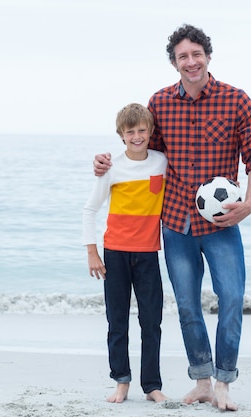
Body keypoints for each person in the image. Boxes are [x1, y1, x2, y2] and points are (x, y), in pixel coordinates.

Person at [93, 24, 251, 411]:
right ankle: (202, 380)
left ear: (207, 55)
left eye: (196, 54)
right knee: (188, 307)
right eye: (182, 57)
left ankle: (224, 381)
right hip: (175, 224)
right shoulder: (159, 103)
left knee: (232, 298)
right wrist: (106, 162)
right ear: (174, 63)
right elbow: (141, 155)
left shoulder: (237, 100)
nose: (190, 62)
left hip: (222, 224)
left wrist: (250, 202)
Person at [83, 103, 169, 404]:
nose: (137, 136)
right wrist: (93, 253)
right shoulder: (112, 167)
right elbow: (90, 210)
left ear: (151, 132)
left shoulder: (162, 162)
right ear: (121, 135)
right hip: (116, 254)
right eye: (130, 131)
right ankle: (121, 381)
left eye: (142, 130)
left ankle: (151, 385)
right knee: (117, 321)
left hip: (147, 255)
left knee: (151, 322)